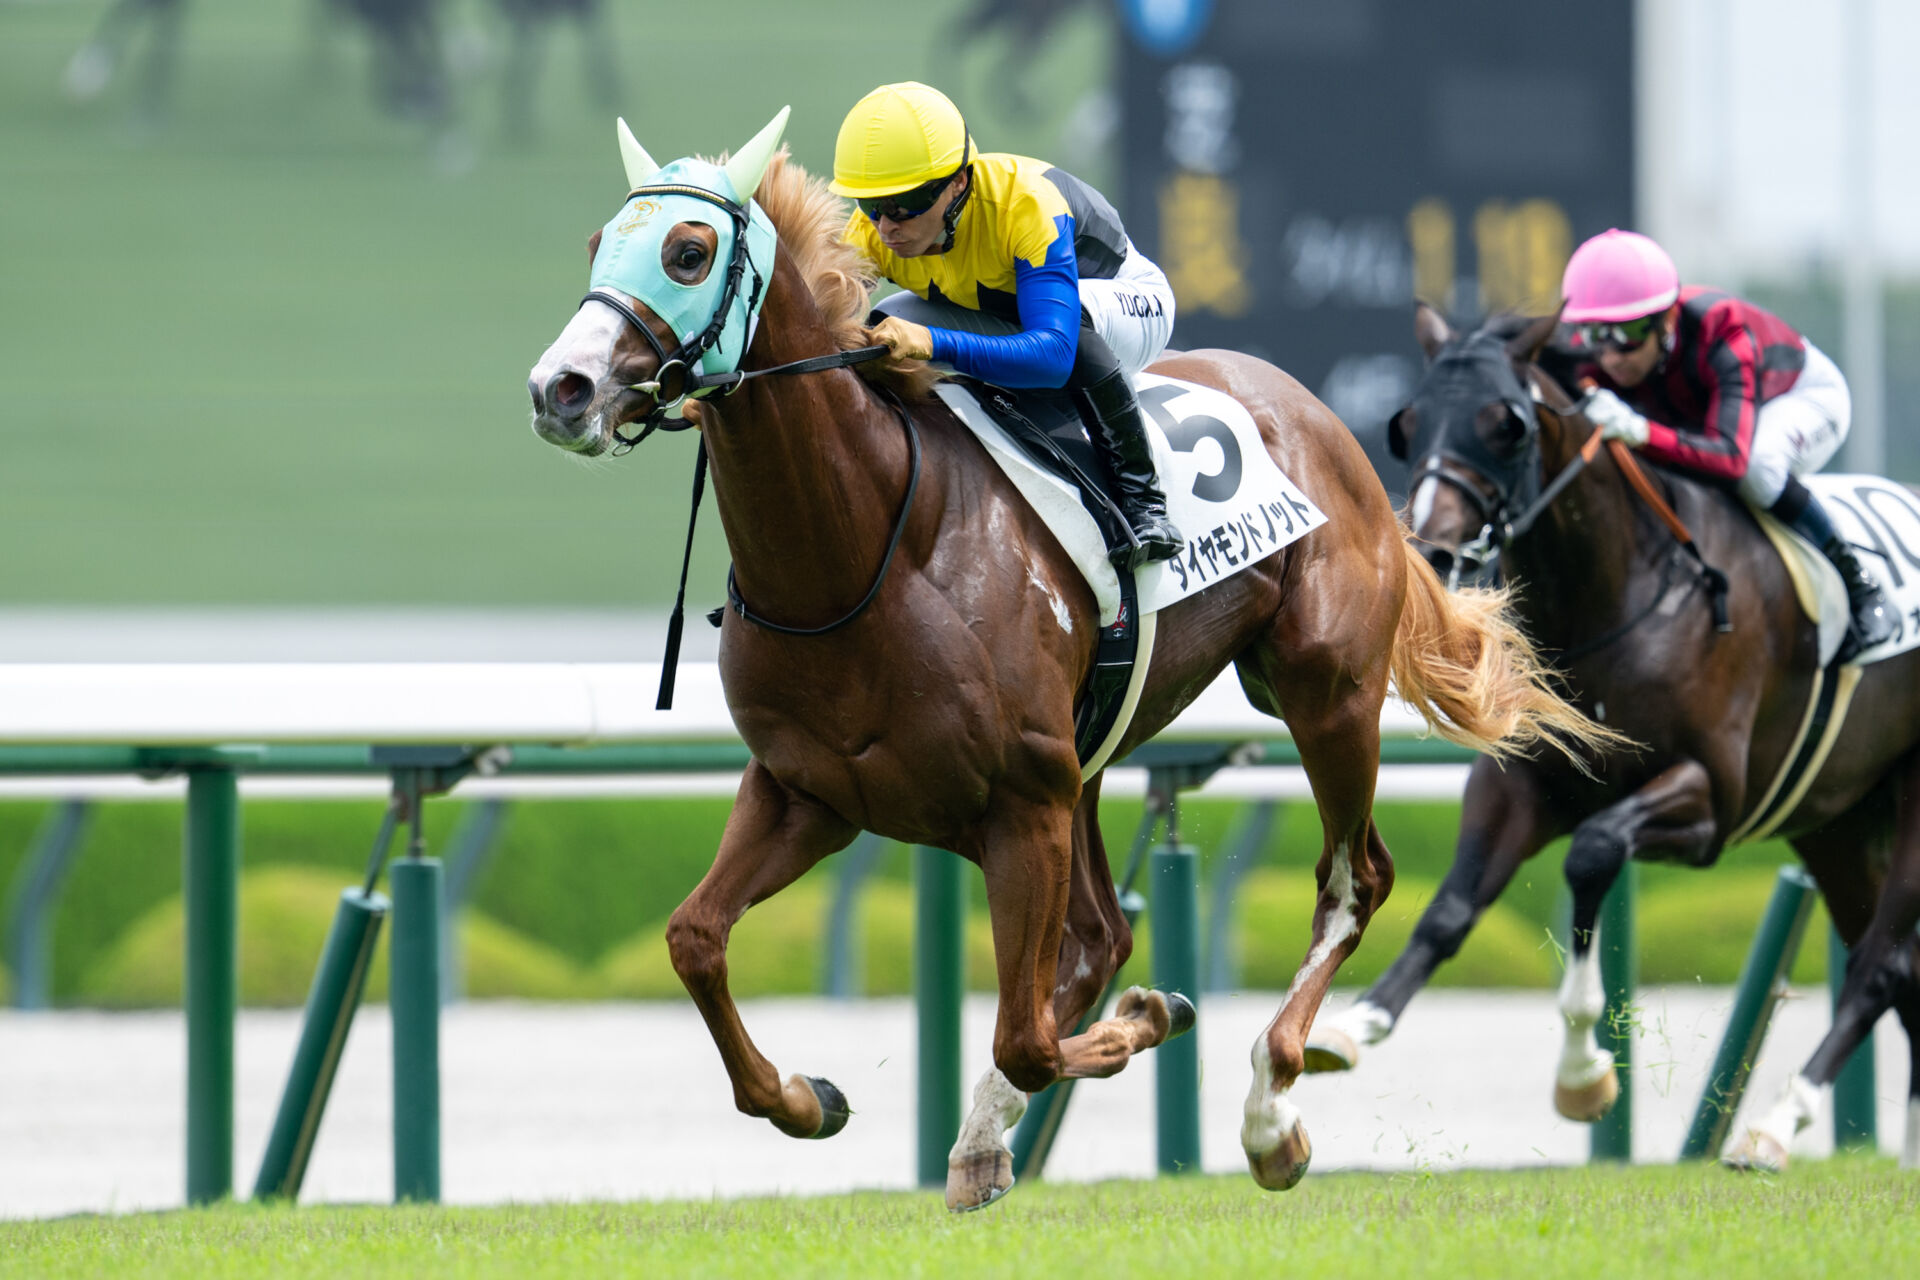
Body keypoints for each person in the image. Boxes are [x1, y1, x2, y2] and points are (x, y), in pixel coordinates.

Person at [831, 81, 1183, 570]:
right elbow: (818, 330)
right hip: (1014, 315)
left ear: (958, 183)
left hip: (1127, 304)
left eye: (905, 204)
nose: (886, 227)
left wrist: (931, 342)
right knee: (881, 326)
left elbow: (1054, 356)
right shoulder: (872, 233)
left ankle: (1144, 504)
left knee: (1069, 316)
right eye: (871, 205)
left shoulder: (1026, 206)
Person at [1562, 228, 1896, 659]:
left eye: (1628, 333)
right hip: (1711, 418)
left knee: (1759, 468)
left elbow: (1730, 459)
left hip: (1800, 397)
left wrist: (1641, 432)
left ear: (1667, 320)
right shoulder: (1594, 356)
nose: (1610, 356)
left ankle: (1862, 587)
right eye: (1594, 334)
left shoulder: (1721, 328)